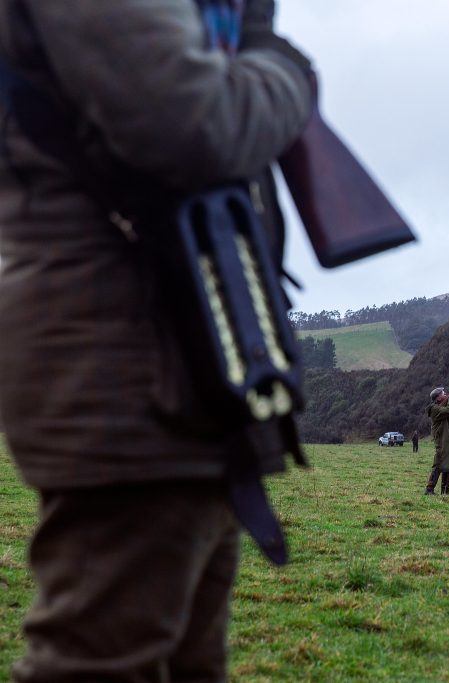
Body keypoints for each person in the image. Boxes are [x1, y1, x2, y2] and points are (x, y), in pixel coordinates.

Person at [0, 1, 313, 680]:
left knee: (184, 661)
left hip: (188, 355)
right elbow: (194, 122)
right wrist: (287, 66)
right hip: (127, 366)